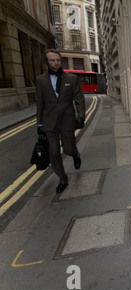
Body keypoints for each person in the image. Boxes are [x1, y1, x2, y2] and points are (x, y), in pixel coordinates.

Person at [36, 49, 86, 193]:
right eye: (52, 60)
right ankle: (62, 178)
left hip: (66, 120)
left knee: (68, 148)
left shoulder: (71, 79)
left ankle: (76, 155)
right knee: (53, 152)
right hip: (49, 121)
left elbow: (79, 99)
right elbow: (40, 103)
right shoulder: (41, 80)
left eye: (57, 60)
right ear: (46, 62)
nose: (55, 62)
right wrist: (39, 125)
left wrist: (81, 116)